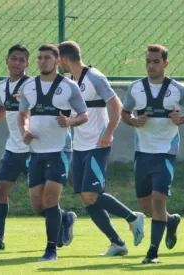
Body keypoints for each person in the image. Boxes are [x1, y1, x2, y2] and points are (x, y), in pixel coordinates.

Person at [57, 41, 145, 256]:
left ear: (65, 60)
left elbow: (116, 106)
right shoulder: (70, 81)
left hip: (98, 143)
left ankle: (133, 217)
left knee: (91, 192)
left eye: (58, 59)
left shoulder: (94, 77)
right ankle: (117, 243)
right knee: (87, 198)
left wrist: (108, 133)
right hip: (79, 145)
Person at [121, 44, 184, 264]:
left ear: (165, 63)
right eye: (148, 61)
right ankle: (170, 221)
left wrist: (181, 120)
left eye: (156, 61)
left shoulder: (178, 89)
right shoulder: (135, 88)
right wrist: (134, 121)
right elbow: (125, 113)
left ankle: (152, 252)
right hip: (142, 153)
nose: (151, 65)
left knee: (158, 199)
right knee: (147, 206)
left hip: (166, 152)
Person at [17, 44, 88, 261]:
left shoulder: (68, 87)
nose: (42, 62)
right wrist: (25, 130)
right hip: (36, 151)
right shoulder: (28, 86)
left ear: (57, 61)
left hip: (60, 150)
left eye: (46, 58)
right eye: (39, 58)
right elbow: (22, 115)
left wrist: (69, 121)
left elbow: (83, 115)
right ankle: (65, 218)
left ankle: (51, 250)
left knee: (50, 199)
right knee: (38, 204)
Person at [0, 44, 32, 250]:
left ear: (27, 64)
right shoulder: (3, 85)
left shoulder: (33, 85)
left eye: (21, 60)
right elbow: (4, 106)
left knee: (40, 198)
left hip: (32, 149)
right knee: (1, 189)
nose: (17, 62)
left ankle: (63, 221)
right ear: (7, 60)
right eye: (14, 58)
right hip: (12, 149)